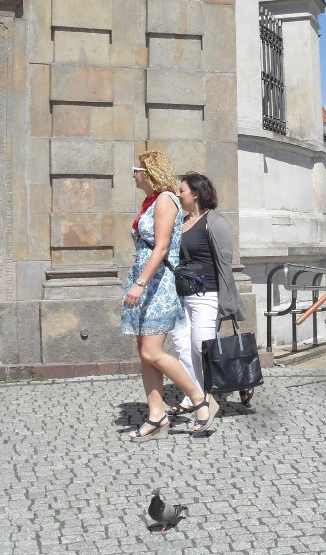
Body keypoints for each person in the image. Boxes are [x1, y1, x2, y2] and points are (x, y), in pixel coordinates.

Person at [123, 151, 218, 441]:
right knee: (145, 354)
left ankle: (199, 399)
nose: (133, 174)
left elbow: (162, 247)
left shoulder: (165, 200)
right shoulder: (151, 201)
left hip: (156, 284)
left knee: (153, 351)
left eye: (136, 169)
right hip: (145, 279)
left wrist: (140, 283)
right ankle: (157, 414)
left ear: (150, 171)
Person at [169, 172, 249, 416]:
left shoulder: (214, 222)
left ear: (195, 194)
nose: (177, 194)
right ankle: (192, 395)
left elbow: (225, 265)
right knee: (183, 346)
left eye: (181, 190)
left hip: (208, 295)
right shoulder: (182, 222)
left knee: (201, 346)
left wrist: (228, 301)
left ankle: (218, 390)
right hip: (184, 295)